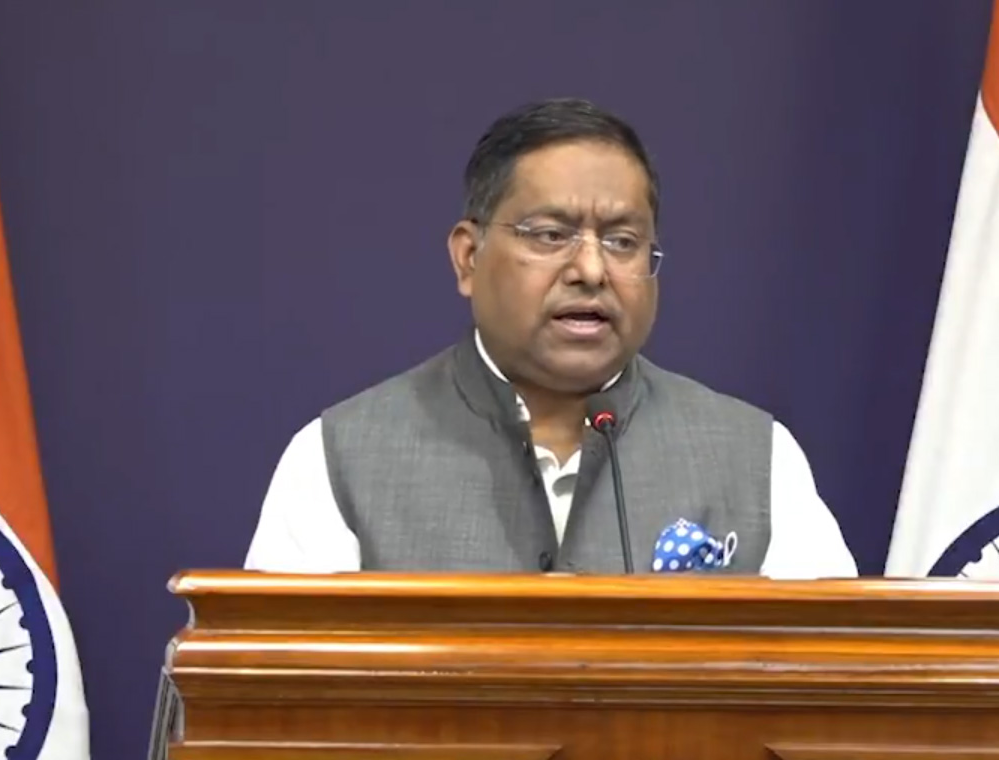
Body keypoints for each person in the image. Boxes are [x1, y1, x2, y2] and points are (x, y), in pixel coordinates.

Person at [245, 97, 856, 578]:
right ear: (468, 257)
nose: (590, 269)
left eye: (622, 241)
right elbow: (275, 690)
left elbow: (834, 680)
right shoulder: (338, 459)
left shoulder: (758, 460)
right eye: (550, 235)